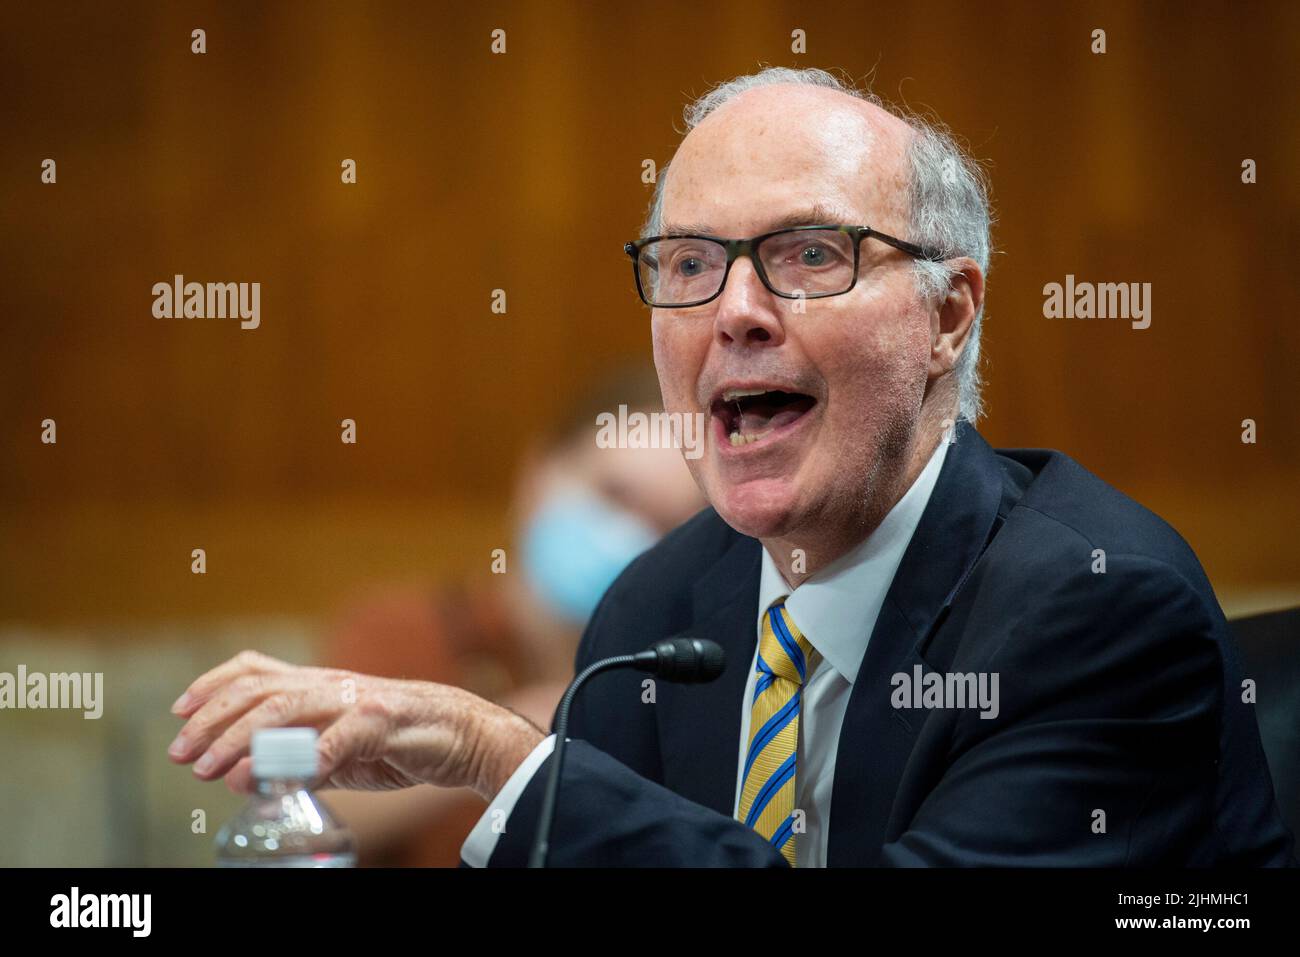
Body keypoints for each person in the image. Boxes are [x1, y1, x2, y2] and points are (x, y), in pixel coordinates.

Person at [167, 66, 1296, 867]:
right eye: (690, 263)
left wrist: (494, 755)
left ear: (948, 316)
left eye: (809, 254)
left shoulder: (1097, 612)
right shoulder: (659, 606)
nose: (735, 313)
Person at [296, 366, 703, 866]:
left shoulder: (686, 675)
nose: (625, 536)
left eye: (665, 525)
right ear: (538, 470)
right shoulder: (404, 633)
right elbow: (302, 822)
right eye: (613, 495)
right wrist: (505, 741)